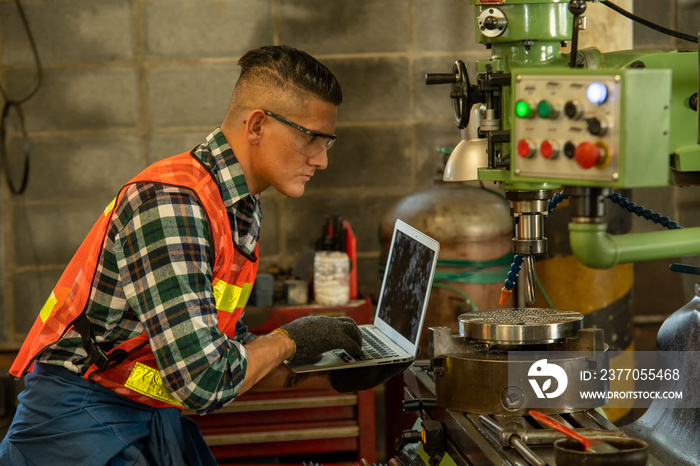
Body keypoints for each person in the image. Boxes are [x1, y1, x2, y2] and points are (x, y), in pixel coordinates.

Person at [0, 45, 406, 466]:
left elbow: (227, 353)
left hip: (141, 415)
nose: (321, 160)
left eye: (328, 142)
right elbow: (204, 380)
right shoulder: (173, 204)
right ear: (257, 125)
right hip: (74, 426)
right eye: (310, 138)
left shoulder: (238, 206)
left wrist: (330, 375)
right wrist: (290, 339)